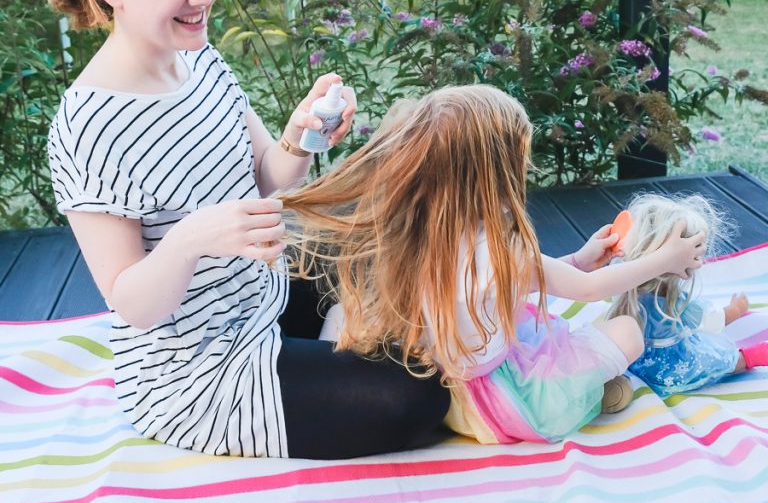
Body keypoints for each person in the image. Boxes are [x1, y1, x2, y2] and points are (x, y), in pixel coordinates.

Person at [42, 0, 452, 460]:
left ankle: (328, 346)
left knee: (397, 254)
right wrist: (189, 240)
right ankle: (332, 351)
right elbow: (134, 303)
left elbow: (266, 178)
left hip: (259, 296)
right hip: (196, 371)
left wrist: (301, 137)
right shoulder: (88, 126)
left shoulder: (199, 59)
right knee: (417, 394)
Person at [281, 87, 706, 445]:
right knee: (625, 332)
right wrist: (663, 260)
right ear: (495, 176)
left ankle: (329, 372)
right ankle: (593, 394)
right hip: (509, 404)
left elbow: (497, 288)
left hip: (442, 384)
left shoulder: (419, 232)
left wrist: (577, 261)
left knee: (344, 309)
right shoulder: (506, 251)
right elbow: (590, 291)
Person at [604, 193, 767, 397]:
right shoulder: (672, 302)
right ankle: (750, 357)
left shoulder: (620, 279)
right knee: (716, 359)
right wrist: (735, 310)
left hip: (634, 364)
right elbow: (712, 321)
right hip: (673, 372)